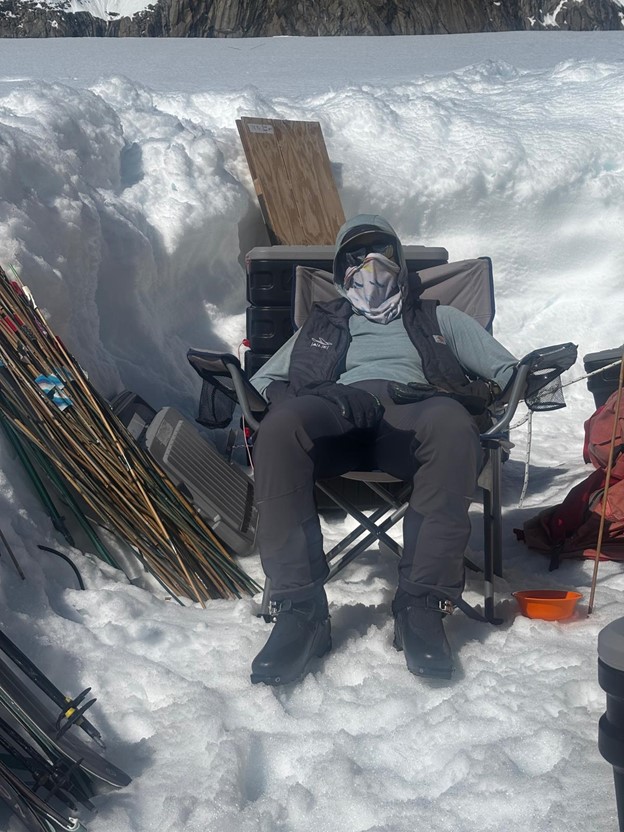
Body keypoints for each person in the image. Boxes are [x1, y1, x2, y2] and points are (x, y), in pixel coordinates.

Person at [247, 214, 518, 686]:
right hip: (337, 416)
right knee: (280, 427)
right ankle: (300, 610)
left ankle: (420, 604)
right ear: (339, 272)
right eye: (355, 256)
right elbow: (262, 382)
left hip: (413, 413)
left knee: (452, 423)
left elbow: (507, 370)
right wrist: (322, 393)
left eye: (382, 251)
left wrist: (528, 379)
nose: (370, 264)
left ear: (400, 262)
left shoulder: (439, 318)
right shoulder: (322, 323)